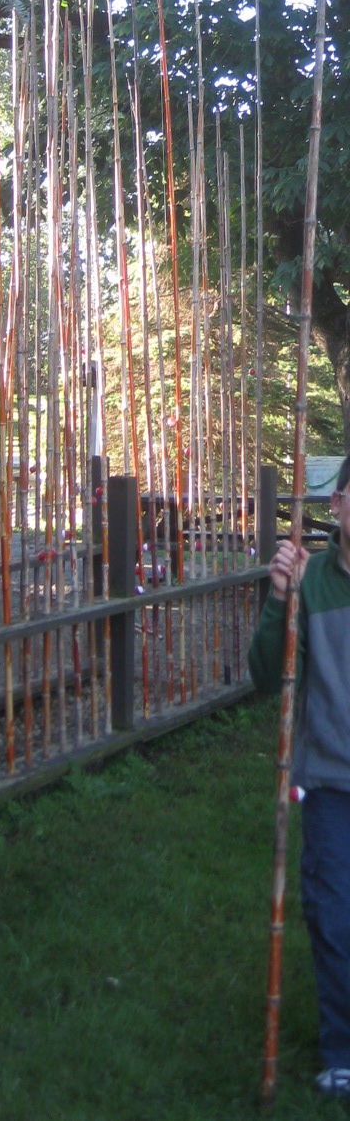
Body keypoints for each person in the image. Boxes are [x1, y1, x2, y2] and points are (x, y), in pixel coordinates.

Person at [249, 453, 350, 1097]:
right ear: (337, 508)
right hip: (330, 782)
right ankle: (343, 1046)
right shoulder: (313, 585)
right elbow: (265, 677)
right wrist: (279, 598)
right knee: (334, 914)